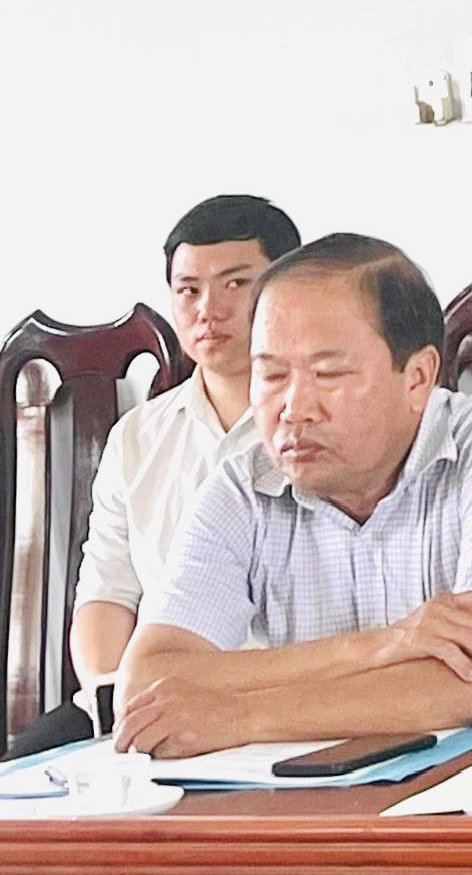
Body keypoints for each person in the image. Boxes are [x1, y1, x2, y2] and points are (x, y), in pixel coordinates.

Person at [113, 234, 472, 757]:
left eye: (329, 373)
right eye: (270, 375)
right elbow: (145, 683)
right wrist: (383, 644)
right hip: (311, 793)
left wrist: (240, 714)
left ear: (418, 377)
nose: (294, 409)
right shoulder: (242, 488)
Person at [0, 197, 307, 762]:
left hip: (286, 702)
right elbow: (106, 593)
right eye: (188, 290)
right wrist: (114, 698)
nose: (208, 309)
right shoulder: (138, 437)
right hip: (152, 702)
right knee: (23, 773)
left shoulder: (322, 426)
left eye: (236, 284)